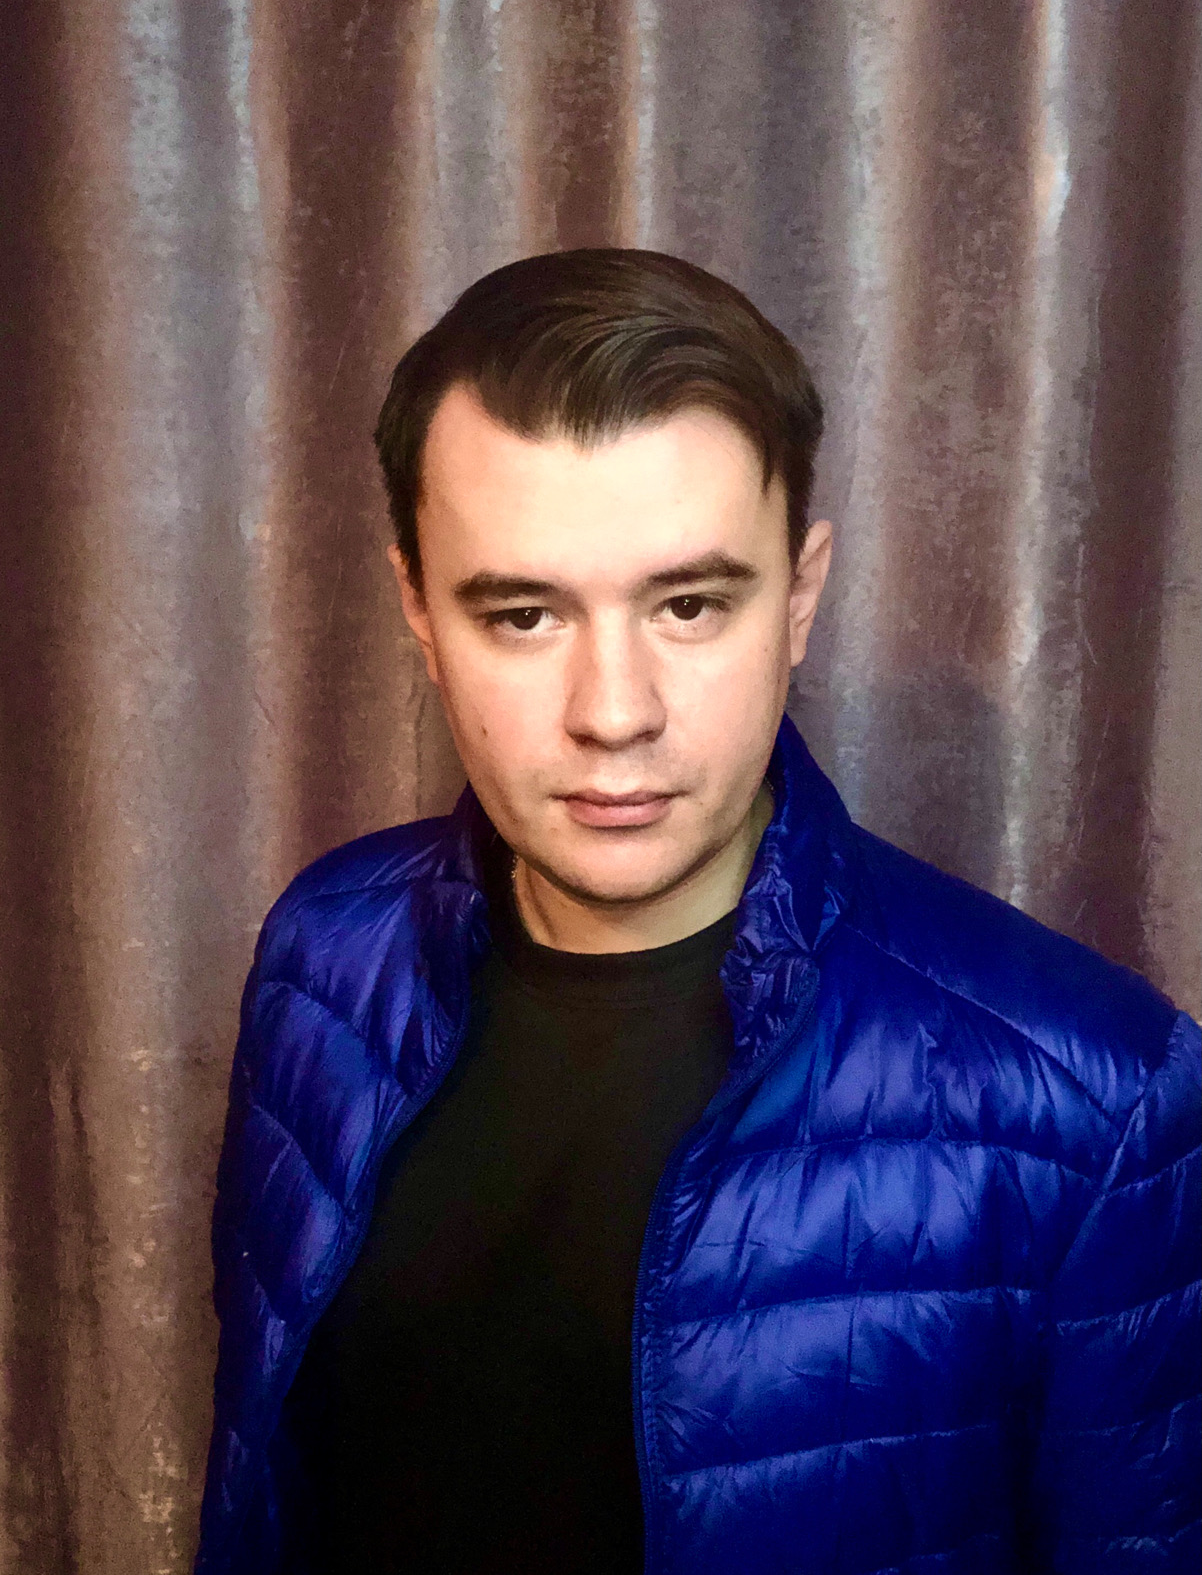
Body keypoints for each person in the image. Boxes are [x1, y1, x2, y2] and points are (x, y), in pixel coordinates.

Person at [194, 249, 1200, 1575]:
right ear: (418, 613)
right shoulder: (323, 956)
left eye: (688, 604)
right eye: (522, 615)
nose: (614, 712)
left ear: (800, 597)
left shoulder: (1097, 1098)